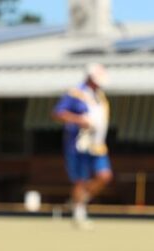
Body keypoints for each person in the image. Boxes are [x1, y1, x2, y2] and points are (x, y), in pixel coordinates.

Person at [53, 63, 113, 229]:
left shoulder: (99, 96)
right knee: (80, 180)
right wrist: (80, 120)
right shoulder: (75, 93)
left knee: (104, 176)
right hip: (78, 144)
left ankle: (78, 200)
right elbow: (58, 113)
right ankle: (79, 214)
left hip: (97, 144)